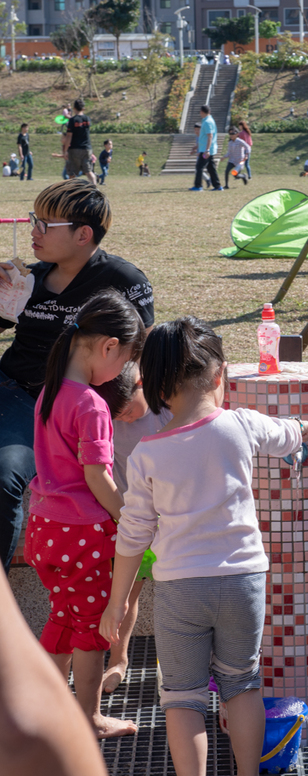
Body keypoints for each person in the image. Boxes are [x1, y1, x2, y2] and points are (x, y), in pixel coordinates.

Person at [100, 318, 308, 776]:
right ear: (219, 375)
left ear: (154, 387)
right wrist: (303, 430)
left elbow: (132, 535)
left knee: (184, 697)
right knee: (242, 684)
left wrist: (117, 602)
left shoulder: (148, 455)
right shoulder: (240, 425)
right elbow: (288, 434)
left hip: (180, 588)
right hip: (244, 581)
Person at [0, 179, 154, 573]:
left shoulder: (123, 280)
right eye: (34, 219)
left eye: (45, 224)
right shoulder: (29, 278)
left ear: (83, 235)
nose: (33, 230)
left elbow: (142, 348)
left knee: (5, 477)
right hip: (12, 388)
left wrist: (136, 388)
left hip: (61, 403)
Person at [25, 289, 144, 739]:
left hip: (44, 529)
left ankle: (51, 711)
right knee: (92, 630)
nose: (123, 372)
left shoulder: (50, 392)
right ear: (109, 347)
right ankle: (89, 718)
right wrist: (131, 518)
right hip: (83, 535)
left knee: (61, 617)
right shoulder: (91, 404)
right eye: (126, 360)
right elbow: (97, 477)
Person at [0, 562, 132, 776]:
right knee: (90, 623)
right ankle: (90, 717)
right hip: (85, 545)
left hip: (48, 540)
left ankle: (66, 708)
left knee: (61, 616)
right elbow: (17, 729)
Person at [93, 361, 172, 694]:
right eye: (117, 415)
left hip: (172, 520)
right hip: (130, 520)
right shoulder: (108, 419)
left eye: (127, 411)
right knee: (124, 595)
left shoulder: (168, 411)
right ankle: (118, 659)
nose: (123, 418)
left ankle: (181, 663)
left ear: (142, 384)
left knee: (178, 595)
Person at [189, 106, 222, 192]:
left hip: (206, 150)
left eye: (200, 111)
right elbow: (204, 137)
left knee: (199, 166)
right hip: (205, 148)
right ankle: (218, 186)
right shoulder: (207, 120)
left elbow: (210, 136)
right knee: (211, 168)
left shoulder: (208, 122)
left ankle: (198, 186)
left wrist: (207, 150)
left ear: (202, 112)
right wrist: (197, 146)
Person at [65, 99, 95, 185]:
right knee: (89, 171)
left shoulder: (72, 120)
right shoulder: (87, 119)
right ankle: (94, 188)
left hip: (75, 148)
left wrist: (65, 150)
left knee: (73, 173)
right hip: (87, 148)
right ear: (83, 108)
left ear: (74, 108)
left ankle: (72, 190)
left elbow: (69, 136)